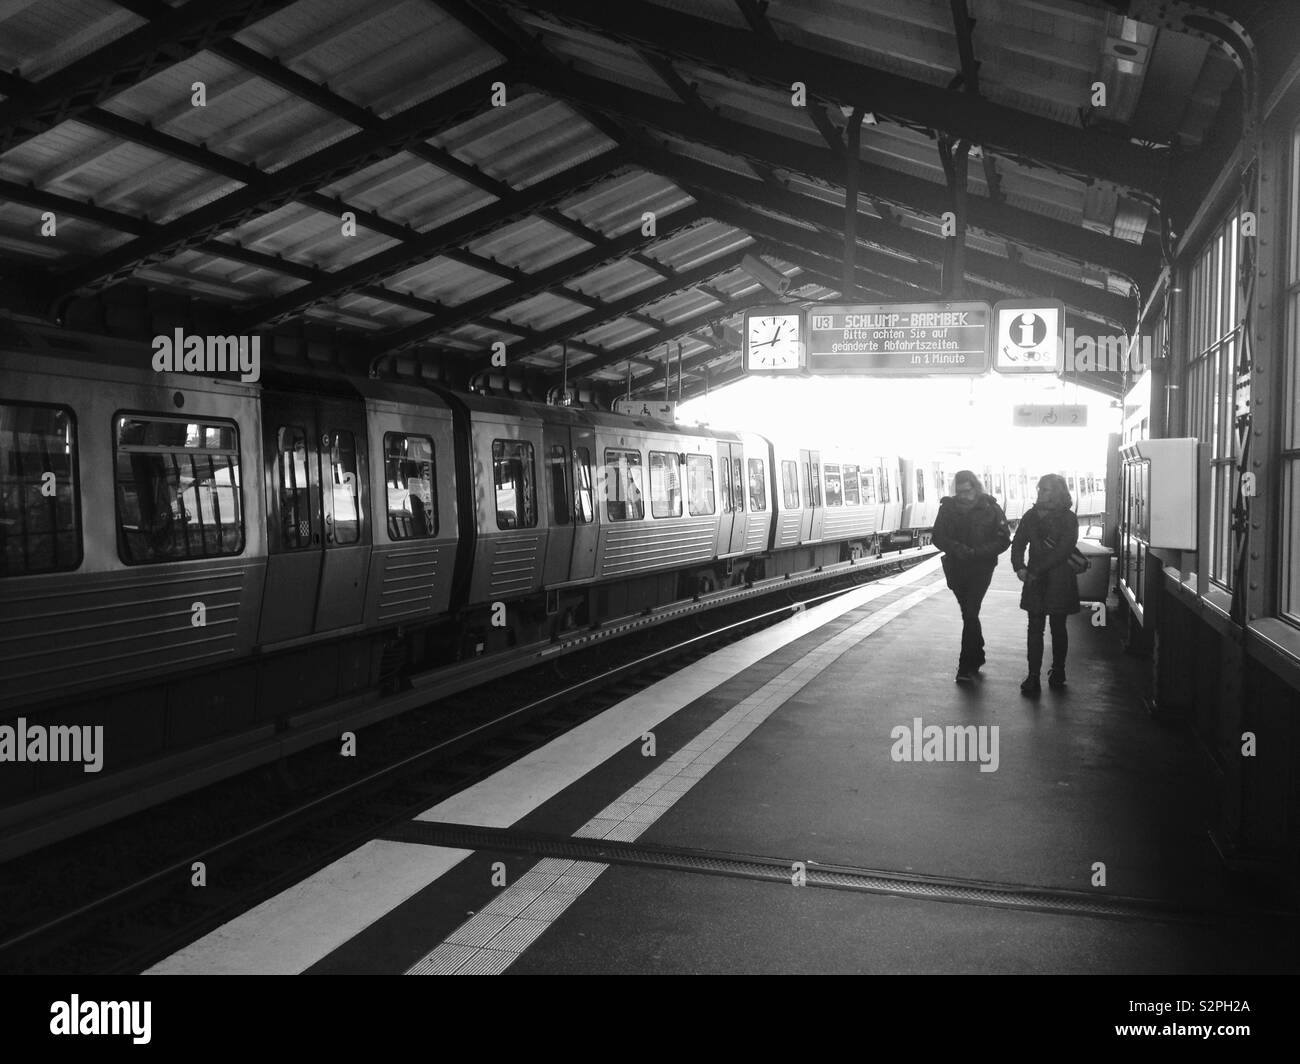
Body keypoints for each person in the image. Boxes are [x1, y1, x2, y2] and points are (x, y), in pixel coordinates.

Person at [931, 470, 1011, 683]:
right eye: (960, 491)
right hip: (956, 567)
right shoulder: (947, 509)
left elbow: (1003, 540)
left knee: (970, 610)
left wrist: (979, 552)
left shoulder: (990, 508)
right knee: (969, 613)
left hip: (981, 568)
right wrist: (957, 548)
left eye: (967, 491)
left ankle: (965, 666)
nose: (963, 496)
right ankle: (978, 653)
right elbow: (937, 537)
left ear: (975, 488)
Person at [1011, 473, 1082, 695]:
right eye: (1040, 489)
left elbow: (1064, 550)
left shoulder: (1068, 518)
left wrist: (1034, 570)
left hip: (1057, 580)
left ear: (1058, 492)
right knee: (1035, 628)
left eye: (1046, 490)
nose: (1040, 493)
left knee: (1057, 627)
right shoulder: (1031, 516)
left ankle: (1058, 669)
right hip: (1038, 579)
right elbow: (1018, 544)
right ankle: (1033, 676)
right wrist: (1019, 567)